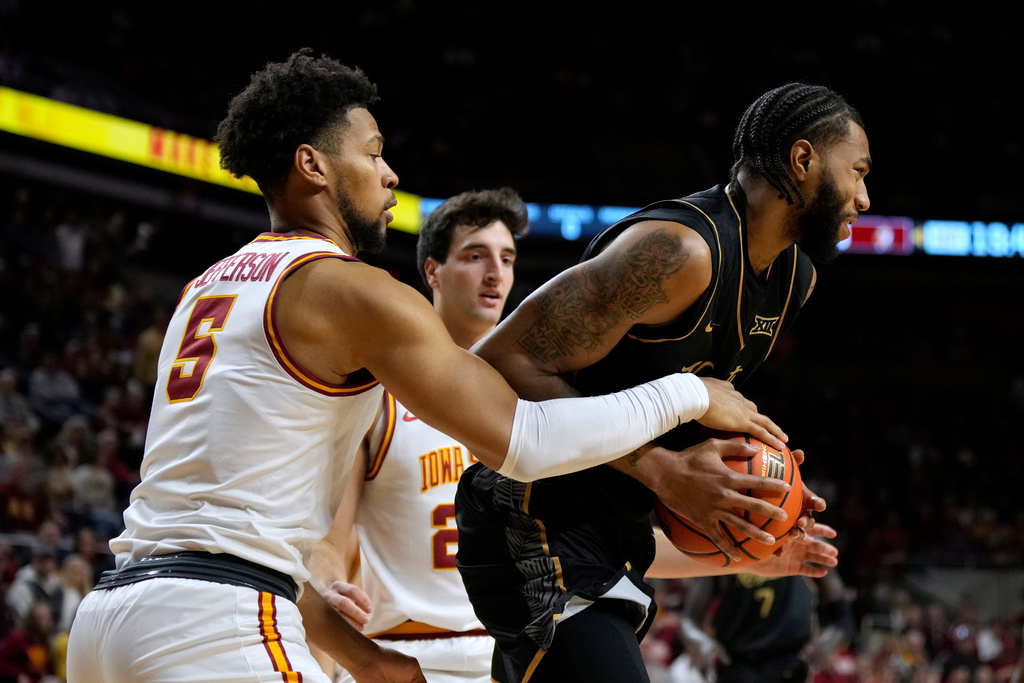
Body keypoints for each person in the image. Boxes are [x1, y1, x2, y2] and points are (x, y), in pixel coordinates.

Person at [64, 49, 784, 683]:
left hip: (112, 616)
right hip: (215, 627)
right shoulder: (351, 290)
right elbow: (525, 439)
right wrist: (686, 394)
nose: (389, 173)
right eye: (372, 153)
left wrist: (364, 656)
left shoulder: (205, 288)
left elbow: (227, 532)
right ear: (313, 166)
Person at [455, 81, 871, 682]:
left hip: (615, 530)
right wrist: (660, 470)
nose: (863, 198)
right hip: (531, 515)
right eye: (857, 172)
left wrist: (760, 492)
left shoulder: (793, 280)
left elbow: (667, 407)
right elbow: (497, 364)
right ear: (803, 160)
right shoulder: (680, 252)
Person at [309, 187, 530, 683]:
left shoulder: (531, 399)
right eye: (475, 256)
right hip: (403, 657)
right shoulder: (376, 395)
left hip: (510, 659)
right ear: (433, 271)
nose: (495, 273)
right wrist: (326, 582)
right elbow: (329, 541)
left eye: (507, 259)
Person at [679, 566, 856, 683]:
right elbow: (689, 619)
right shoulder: (722, 543)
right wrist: (703, 644)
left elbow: (843, 617)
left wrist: (828, 643)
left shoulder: (809, 541)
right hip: (735, 666)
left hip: (791, 667)